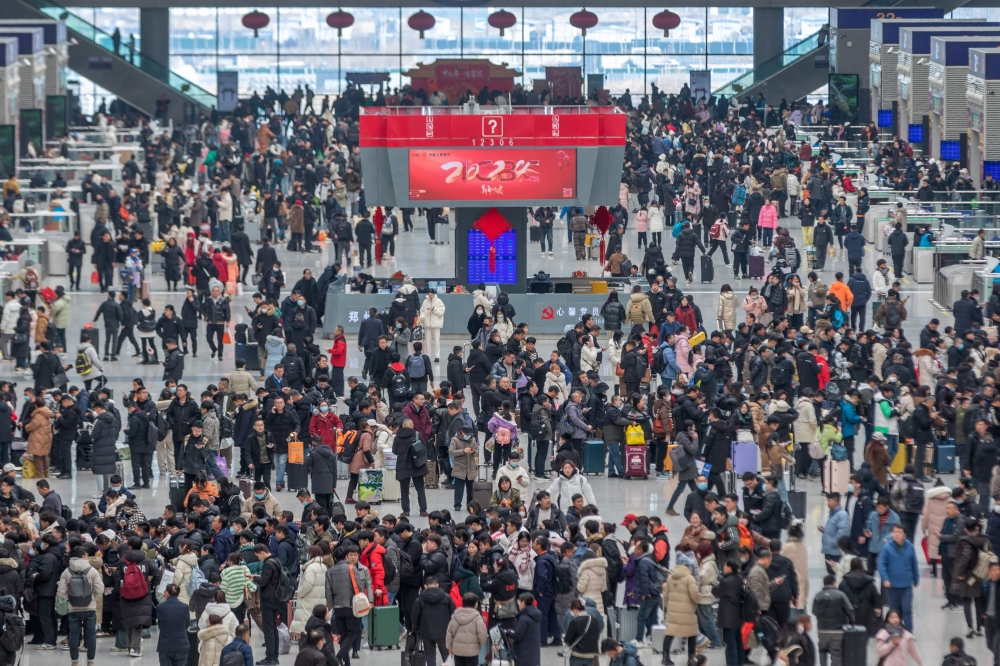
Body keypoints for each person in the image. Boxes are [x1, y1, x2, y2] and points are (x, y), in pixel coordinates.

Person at [57, 544, 105, 666]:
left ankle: (74, 661)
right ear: (84, 555)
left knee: (73, 635)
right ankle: (90, 660)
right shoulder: (92, 570)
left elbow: (61, 591)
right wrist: (91, 597)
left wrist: (70, 598)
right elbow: (100, 589)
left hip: (73, 608)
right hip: (90, 607)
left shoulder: (67, 572)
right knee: (91, 634)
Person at [877, 524, 920, 631]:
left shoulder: (910, 547)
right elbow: (881, 564)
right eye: (894, 532)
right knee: (894, 611)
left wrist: (916, 578)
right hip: (892, 585)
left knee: (907, 609)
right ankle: (894, 631)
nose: (896, 534)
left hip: (906, 585)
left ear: (904, 535)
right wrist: (885, 578)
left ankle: (909, 632)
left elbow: (914, 563)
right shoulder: (887, 548)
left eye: (899, 532)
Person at [411, 575, 456, 666]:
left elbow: (414, 617)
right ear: (437, 585)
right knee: (446, 657)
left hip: (426, 632)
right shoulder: (446, 597)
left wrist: (416, 629)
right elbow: (454, 614)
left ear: (425, 586)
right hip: (444, 632)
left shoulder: (419, 600)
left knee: (430, 657)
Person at [812, 574, 855, 666]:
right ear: (834, 583)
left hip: (822, 629)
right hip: (837, 629)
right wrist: (852, 623)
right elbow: (850, 610)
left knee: (822, 650)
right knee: (836, 653)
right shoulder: (841, 595)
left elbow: (814, 612)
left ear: (823, 584)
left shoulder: (818, 596)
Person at [446, 592, 489, 666]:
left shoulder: (455, 616)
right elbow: (482, 635)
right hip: (472, 652)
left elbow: (449, 632)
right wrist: (481, 642)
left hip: (458, 651)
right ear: (475, 604)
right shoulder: (477, 618)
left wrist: (450, 647)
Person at [156, 584, 191, 666]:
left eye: (165, 591)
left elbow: (160, 625)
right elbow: (187, 624)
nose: (164, 593)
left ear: (168, 593)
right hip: (181, 644)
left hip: (165, 645)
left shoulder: (160, 607)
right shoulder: (185, 607)